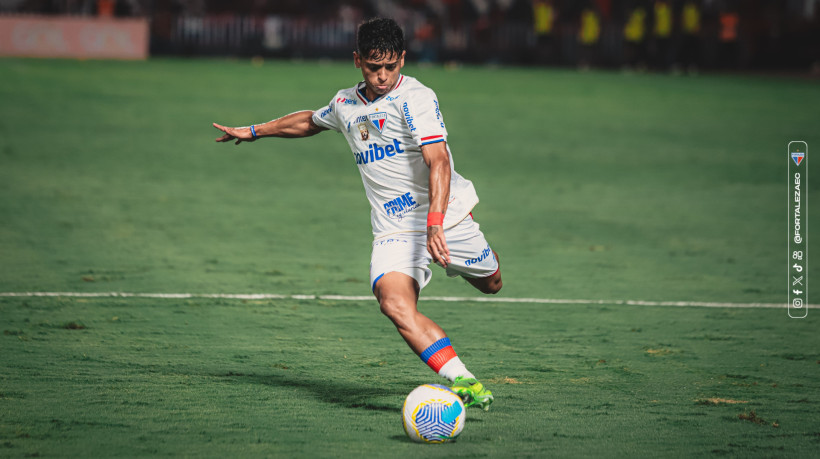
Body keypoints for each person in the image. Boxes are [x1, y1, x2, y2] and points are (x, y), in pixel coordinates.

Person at [212, 17, 502, 411]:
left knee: (492, 284)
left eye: (390, 67)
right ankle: (463, 380)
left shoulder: (415, 97)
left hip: (445, 218)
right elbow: (309, 121)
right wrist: (254, 130)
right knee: (394, 303)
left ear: (402, 59)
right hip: (394, 230)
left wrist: (435, 225)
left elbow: (439, 162)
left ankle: (467, 264)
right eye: (372, 67)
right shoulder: (346, 104)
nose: (382, 77)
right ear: (357, 61)